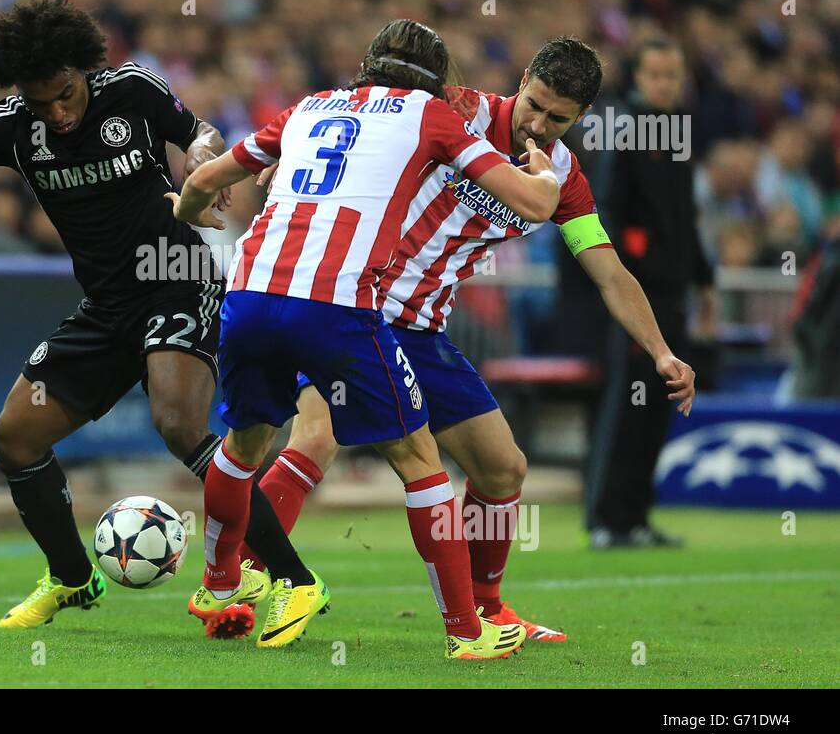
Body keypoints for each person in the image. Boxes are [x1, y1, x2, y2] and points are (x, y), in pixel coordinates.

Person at [0, 0, 316, 638]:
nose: (57, 110)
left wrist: (201, 160)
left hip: (176, 280)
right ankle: (73, 579)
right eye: (40, 100)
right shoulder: (12, 126)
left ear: (83, 69)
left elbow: (201, 133)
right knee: (13, 438)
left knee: (177, 422)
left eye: (65, 93)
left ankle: (297, 582)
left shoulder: (131, 90)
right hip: (107, 309)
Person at [206, 38, 698, 641]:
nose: (538, 125)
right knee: (315, 437)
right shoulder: (454, 109)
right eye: (534, 106)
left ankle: (488, 610)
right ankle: (257, 585)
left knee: (501, 470)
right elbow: (358, 133)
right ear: (523, 81)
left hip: (425, 327)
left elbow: (610, 272)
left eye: (558, 118)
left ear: (582, 118)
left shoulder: (564, 178)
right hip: (357, 305)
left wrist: (662, 351)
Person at [169, 19, 563, 658]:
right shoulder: (432, 118)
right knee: (417, 459)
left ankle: (220, 584)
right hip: (337, 304)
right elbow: (534, 203)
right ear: (435, 85)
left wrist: (187, 213)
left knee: (242, 447)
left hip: (248, 292)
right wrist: (545, 180)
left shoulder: (308, 107)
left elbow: (206, 181)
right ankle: (470, 632)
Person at [586, 37, 713, 547]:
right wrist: (627, 271)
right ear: (638, 79)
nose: (665, 84)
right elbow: (609, 210)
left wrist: (704, 279)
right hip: (638, 294)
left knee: (657, 406)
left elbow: (686, 220)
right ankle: (604, 518)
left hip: (672, 290)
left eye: (673, 75)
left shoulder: (678, 132)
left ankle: (634, 516)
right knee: (626, 406)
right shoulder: (628, 130)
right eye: (656, 75)